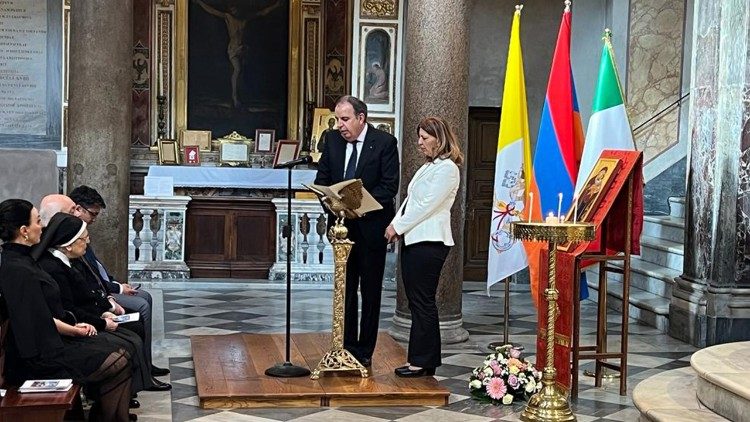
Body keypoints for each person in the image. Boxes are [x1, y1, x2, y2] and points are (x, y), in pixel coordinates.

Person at [0, 199, 133, 421]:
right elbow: (36, 321)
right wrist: (76, 331)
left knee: (122, 357)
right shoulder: (17, 269)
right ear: (24, 231)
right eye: (38, 221)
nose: (42, 226)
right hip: (36, 356)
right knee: (117, 361)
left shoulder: (23, 258)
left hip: (49, 341)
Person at [34, 212, 163, 402]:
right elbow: (69, 309)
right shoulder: (53, 268)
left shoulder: (69, 260)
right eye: (84, 239)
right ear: (69, 244)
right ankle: (117, 397)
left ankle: (124, 396)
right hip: (72, 330)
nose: (88, 242)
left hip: (87, 318)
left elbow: (87, 293)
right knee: (128, 341)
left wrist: (105, 309)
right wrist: (102, 322)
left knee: (133, 333)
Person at [314, 95, 399, 367]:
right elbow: (322, 182)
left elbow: (389, 187)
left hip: (372, 229)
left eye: (345, 119)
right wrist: (335, 207)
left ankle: (364, 350)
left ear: (361, 118)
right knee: (344, 289)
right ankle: (345, 345)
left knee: (370, 291)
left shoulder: (385, 143)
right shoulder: (333, 141)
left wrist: (357, 206)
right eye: (337, 119)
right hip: (342, 229)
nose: (339, 124)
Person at [385, 117, 463, 377]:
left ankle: (423, 361)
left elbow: (426, 205)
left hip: (430, 242)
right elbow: (408, 201)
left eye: (424, 138)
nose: (419, 143)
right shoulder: (429, 167)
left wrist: (399, 227)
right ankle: (419, 359)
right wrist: (395, 225)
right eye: (419, 137)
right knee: (417, 302)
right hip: (414, 239)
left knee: (423, 302)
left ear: (439, 139)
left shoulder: (448, 169)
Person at [67, 186, 171, 380]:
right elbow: (85, 282)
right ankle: (144, 372)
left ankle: (146, 364)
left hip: (102, 292)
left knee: (145, 298)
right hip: (95, 300)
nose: (95, 219)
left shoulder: (79, 234)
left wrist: (114, 285)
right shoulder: (69, 238)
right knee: (141, 305)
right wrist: (113, 294)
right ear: (78, 209)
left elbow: (95, 269)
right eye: (93, 214)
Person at [194, 0, 282, 108]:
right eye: (232, 9)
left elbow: (262, 13)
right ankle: (234, 97)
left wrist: (276, 5)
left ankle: (241, 96)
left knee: (243, 72)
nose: (234, 11)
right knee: (237, 70)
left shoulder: (245, 18)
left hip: (243, 48)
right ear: (230, 10)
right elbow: (212, 11)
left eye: (236, 9)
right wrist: (200, 2)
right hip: (233, 49)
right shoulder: (228, 17)